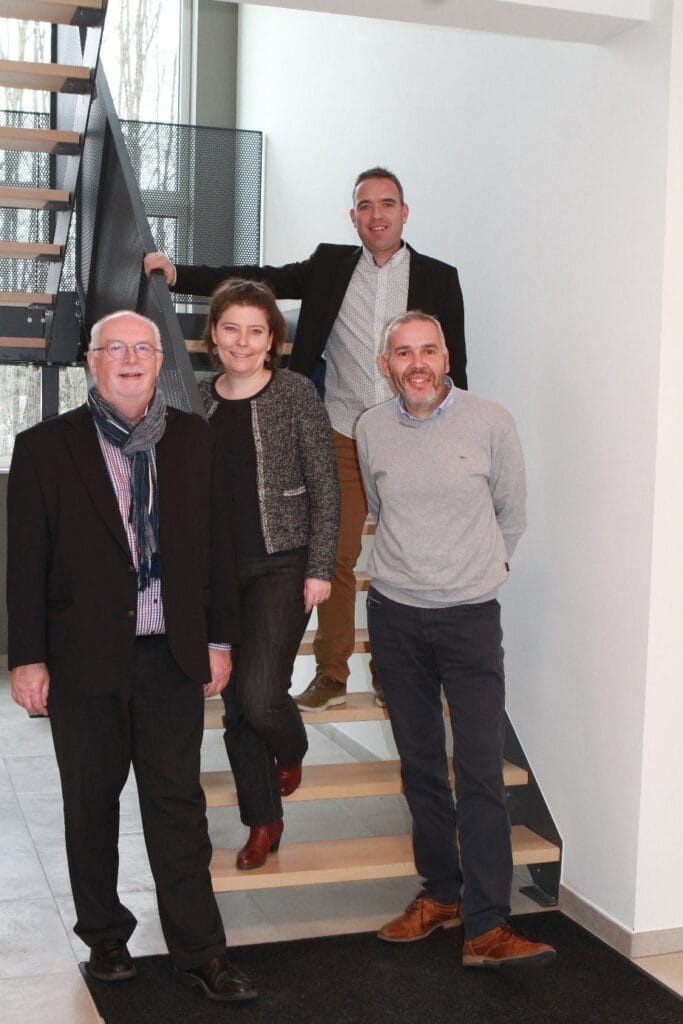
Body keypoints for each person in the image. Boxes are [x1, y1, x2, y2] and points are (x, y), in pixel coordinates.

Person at [143, 166, 467, 711]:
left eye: (387, 204)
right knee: (337, 556)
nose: (377, 215)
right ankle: (333, 673)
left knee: (408, 557)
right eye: (365, 206)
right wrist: (179, 274)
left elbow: (456, 360)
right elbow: (258, 280)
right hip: (342, 430)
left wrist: (450, 435)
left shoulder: (439, 277)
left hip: (410, 436)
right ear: (353, 216)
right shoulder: (330, 266)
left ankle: (394, 671)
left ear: (404, 213)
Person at [6, 311, 256, 1002]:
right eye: (113, 347)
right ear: (91, 361)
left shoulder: (194, 440)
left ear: (158, 361)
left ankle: (200, 950)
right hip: (82, 661)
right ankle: (107, 939)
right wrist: (27, 658)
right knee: (91, 806)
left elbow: (219, 548)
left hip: (171, 657)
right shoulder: (45, 447)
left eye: (142, 347)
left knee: (178, 808)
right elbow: (24, 565)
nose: (129, 358)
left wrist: (219, 640)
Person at [355, 310, 556, 968]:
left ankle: (487, 924)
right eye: (402, 353)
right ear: (385, 364)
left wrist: (483, 571)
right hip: (394, 618)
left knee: (479, 771)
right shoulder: (370, 428)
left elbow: (511, 513)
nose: (416, 364)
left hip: (469, 620)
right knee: (420, 767)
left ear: (447, 359)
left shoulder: (490, 421)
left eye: (428, 351)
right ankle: (440, 895)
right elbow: (379, 509)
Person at [199, 278, 339, 870]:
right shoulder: (197, 401)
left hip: (283, 563)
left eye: (255, 331)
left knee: (259, 696)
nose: (242, 341)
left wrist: (321, 566)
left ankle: (293, 746)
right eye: (231, 328)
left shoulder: (296, 393)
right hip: (218, 574)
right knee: (236, 706)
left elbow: (326, 485)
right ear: (213, 335)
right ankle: (263, 821)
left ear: (272, 340)